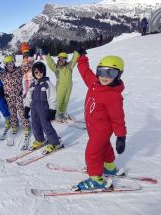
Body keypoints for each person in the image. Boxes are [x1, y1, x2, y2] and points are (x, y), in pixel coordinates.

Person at [75, 48, 127, 190]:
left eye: (110, 73)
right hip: (93, 126)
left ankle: (96, 179)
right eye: (101, 71)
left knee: (92, 152)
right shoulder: (94, 83)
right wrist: (82, 57)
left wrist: (121, 136)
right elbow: (85, 72)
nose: (104, 76)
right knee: (104, 147)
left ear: (118, 75)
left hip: (102, 129)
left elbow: (118, 118)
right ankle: (109, 167)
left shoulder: (113, 96)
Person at [24, 62, 62, 152]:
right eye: (36, 72)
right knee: (35, 125)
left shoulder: (47, 84)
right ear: (33, 73)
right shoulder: (33, 84)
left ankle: (55, 143)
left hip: (44, 108)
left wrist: (52, 110)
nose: (38, 74)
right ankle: (40, 140)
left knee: (46, 126)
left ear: (44, 72)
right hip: (34, 107)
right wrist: (26, 108)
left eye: (41, 72)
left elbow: (53, 98)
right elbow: (29, 96)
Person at [0, 55, 30, 138]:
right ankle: (14, 125)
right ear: (5, 65)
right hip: (8, 97)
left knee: (21, 111)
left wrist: (26, 62)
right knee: (12, 112)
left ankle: (26, 125)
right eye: (8, 64)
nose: (10, 65)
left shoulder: (19, 70)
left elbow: (27, 68)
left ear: (14, 63)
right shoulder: (3, 73)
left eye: (11, 63)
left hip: (18, 95)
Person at [44, 50, 79, 122]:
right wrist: (47, 54)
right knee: (59, 101)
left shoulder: (69, 67)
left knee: (66, 101)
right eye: (60, 59)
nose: (61, 60)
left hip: (69, 86)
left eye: (63, 59)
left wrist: (77, 52)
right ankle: (56, 115)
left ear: (66, 60)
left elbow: (74, 60)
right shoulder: (56, 68)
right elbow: (51, 63)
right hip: (60, 87)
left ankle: (62, 113)